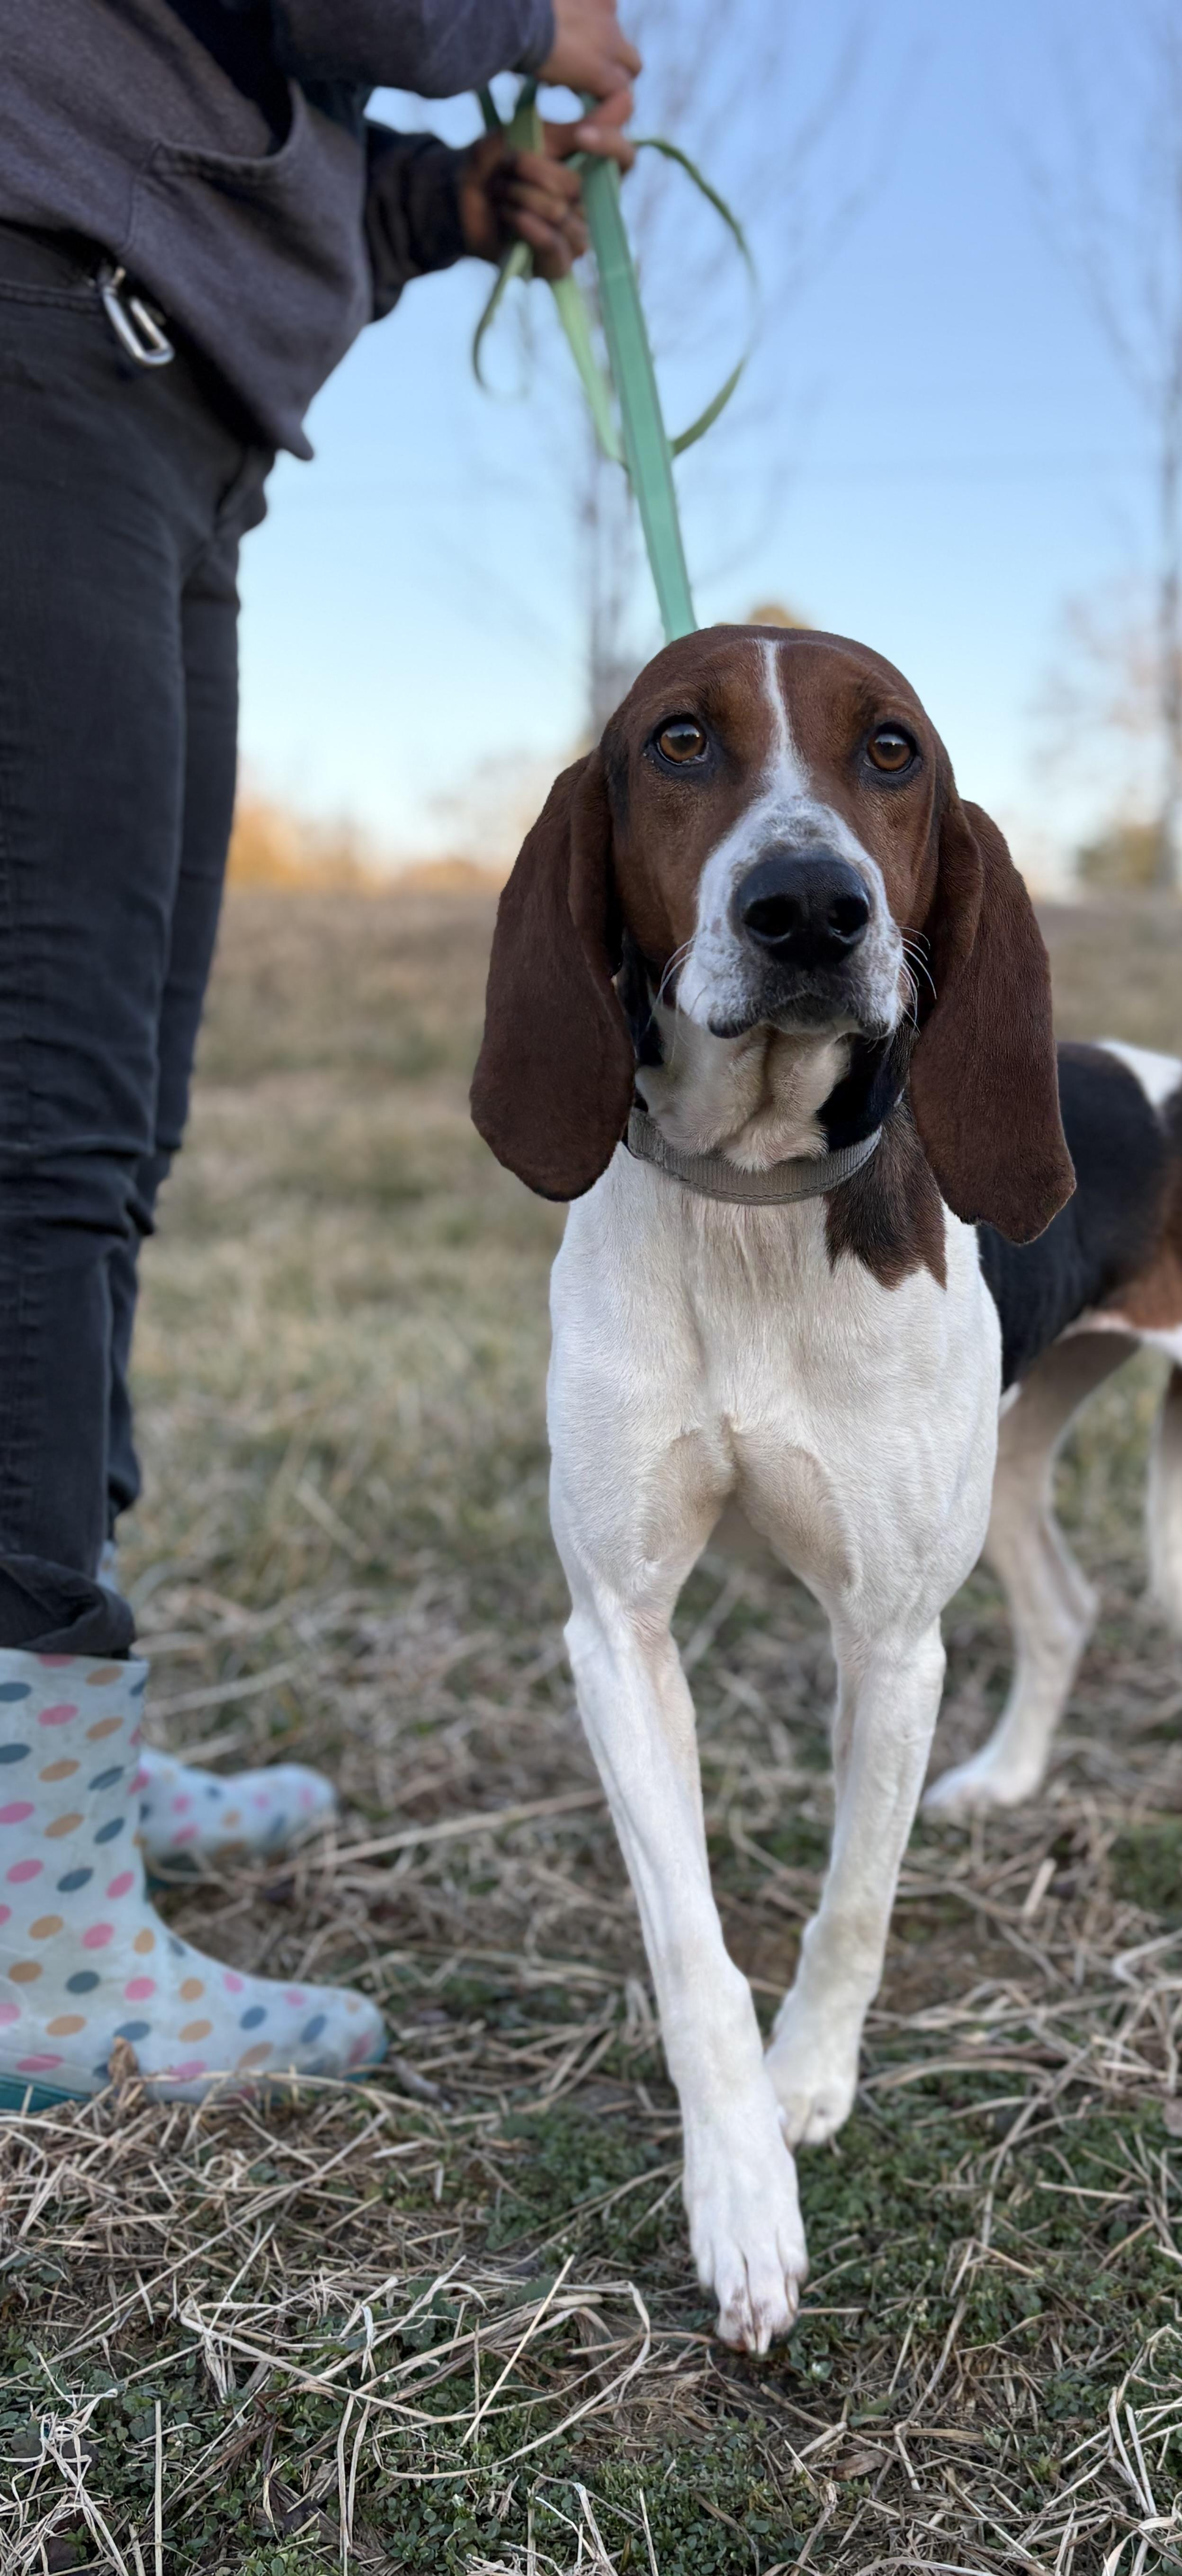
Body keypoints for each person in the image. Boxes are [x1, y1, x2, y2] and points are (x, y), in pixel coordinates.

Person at [0, 0, 638, 2106]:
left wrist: (449, 201)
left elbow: (263, 119)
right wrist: (540, 25)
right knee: (49, 1122)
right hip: (41, 341)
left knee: (107, 1124)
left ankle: (36, 1772)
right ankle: (31, 1934)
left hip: (158, 402)